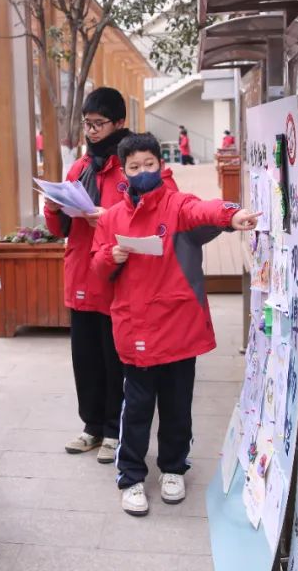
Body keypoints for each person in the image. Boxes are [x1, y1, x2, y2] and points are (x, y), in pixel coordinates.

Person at [90, 132, 259, 517]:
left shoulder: (176, 204)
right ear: (124, 172)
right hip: (136, 329)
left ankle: (173, 468)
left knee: (177, 405)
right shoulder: (112, 217)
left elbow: (203, 210)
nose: (143, 172)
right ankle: (131, 477)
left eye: (149, 164)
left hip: (179, 327)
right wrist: (112, 255)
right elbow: (97, 266)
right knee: (136, 408)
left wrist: (231, 215)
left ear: (161, 165)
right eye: (134, 167)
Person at [44, 87, 178, 462]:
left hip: (120, 278)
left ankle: (113, 430)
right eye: (87, 123)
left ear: (119, 123)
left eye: (98, 123)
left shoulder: (134, 165)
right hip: (81, 274)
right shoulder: (80, 168)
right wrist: (53, 207)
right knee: (86, 360)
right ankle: (91, 426)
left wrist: (111, 217)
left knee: (115, 360)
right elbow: (59, 229)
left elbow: (161, 212)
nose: (91, 131)